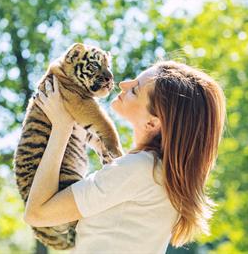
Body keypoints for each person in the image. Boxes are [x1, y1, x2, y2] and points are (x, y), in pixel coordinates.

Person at [23, 60, 226, 254]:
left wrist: (62, 126)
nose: (123, 84)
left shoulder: (138, 169)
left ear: (152, 123)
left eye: (135, 89)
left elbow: (37, 213)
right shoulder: (158, 172)